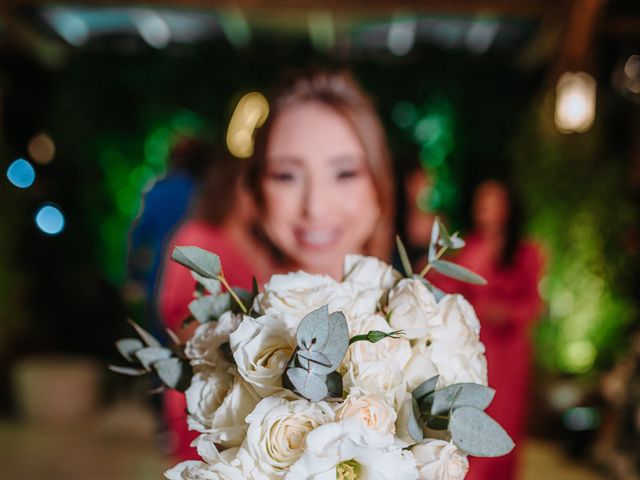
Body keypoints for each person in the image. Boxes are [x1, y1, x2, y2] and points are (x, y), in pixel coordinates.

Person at [157, 149, 270, 461]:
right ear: (231, 187)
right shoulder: (199, 237)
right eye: (256, 187)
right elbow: (177, 317)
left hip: (255, 395)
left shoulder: (267, 241)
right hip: (205, 386)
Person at [436, 179, 545, 480]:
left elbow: (533, 304)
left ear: (507, 208)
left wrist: (502, 311)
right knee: (470, 417)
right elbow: (451, 286)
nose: (484, 209)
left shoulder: (525, 252)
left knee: (503, 419)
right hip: (473, 345)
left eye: (492, 203)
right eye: (480, 202)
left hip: (508, 352)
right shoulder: (468, 246)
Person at [248, 70, 396, 279]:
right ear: (258, 190)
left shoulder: (432, 310)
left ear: (380, 184)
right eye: (286, 176)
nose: (315, 208)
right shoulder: (232, 311)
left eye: (344, 174)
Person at [128, 137, 209, 340]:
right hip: (200, 278)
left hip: (160, 276)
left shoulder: (158, 191)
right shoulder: (207, 193)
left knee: (161, 347)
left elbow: (138, 237)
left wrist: (133, 276)